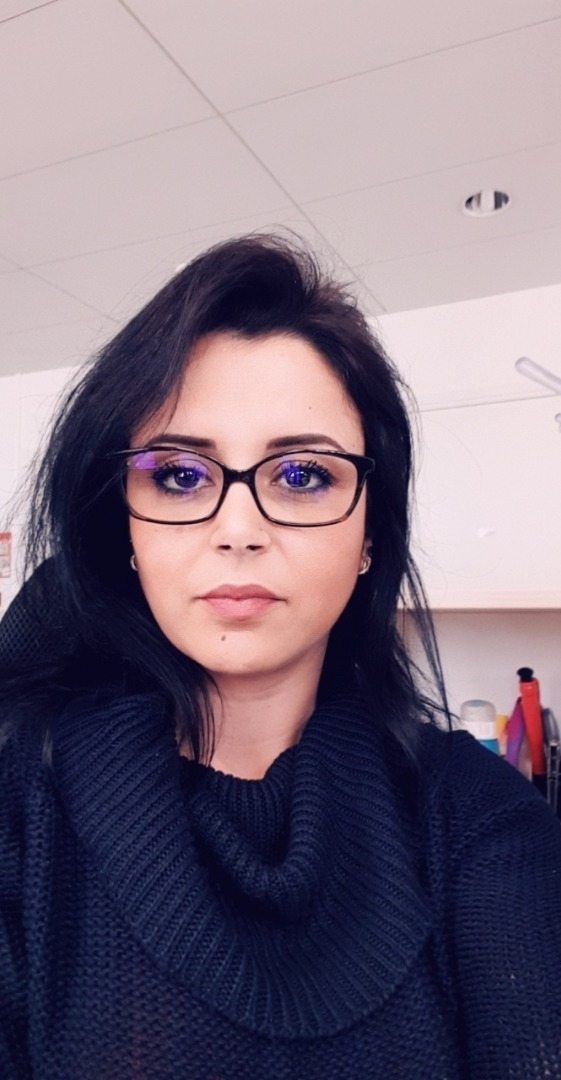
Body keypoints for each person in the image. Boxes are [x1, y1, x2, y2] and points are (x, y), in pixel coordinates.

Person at [1, 234, 560, 1080]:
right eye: (178, 475)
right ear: (124, 527)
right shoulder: (20, 813)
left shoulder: (482, 824)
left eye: (301, 476)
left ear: (370, 534)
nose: (238, 529)